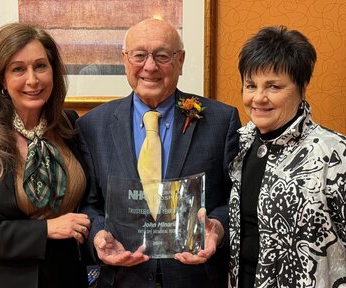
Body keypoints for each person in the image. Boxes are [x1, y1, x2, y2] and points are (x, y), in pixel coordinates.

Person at [77, 18, 241, 288]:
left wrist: (219, 229)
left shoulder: (221, 121)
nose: (150, 66)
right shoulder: (92, 125)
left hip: (195, 278)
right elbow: (89, 205)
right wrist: (97, 235)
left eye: (162, 56)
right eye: (139, 55)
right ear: (125, 60)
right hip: (122, 279)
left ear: (180, 61)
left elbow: (236, 201)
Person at [0, 23, 91, 288]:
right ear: (1, 78)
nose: (33, 80)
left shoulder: (68, 125)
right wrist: (45, 230)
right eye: (18, 69)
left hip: (67, 277)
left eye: (40, 66)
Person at [228, 26, 346, 288]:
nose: (258, 98)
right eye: (251, 85)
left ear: (301, 87)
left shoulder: (334, 153)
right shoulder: (240, 144)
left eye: (274, 86)